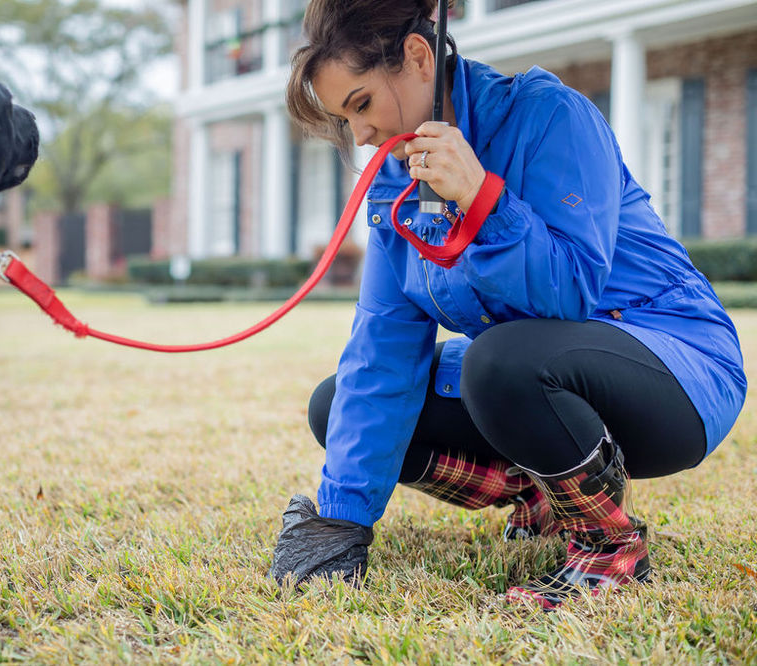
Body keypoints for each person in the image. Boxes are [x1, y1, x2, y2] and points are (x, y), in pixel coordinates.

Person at [269, 0, 747, 609]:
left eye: (362, 104)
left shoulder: (551, 116)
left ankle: (609, 548)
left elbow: (569, 292)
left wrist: (479, 197)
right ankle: (542, 493)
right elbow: (384, 346)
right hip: (535, 374)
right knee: (335, 405)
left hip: (675, 368)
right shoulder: (396, 183)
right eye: (345, 118)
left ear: (419, 57)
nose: (360, 136)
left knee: (497, 361)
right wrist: (341, 521)